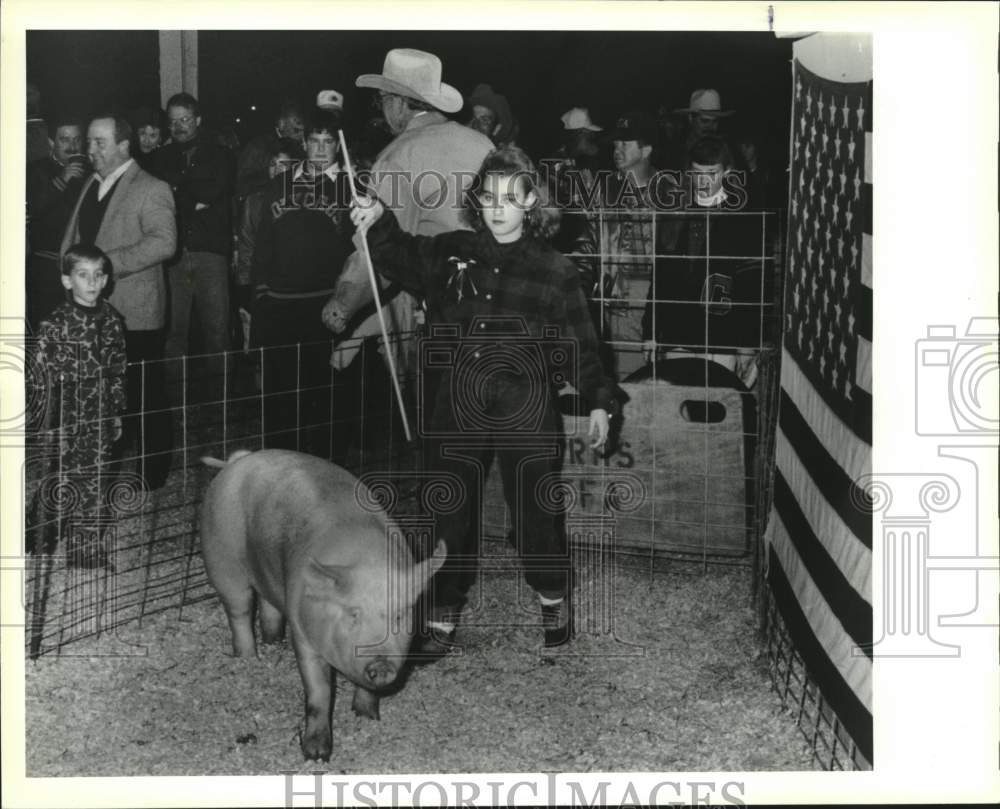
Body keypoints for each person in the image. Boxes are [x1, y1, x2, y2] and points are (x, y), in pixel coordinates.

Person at [350, 146, 613, 652]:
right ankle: (443, 610)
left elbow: (581, 342)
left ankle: (552, 594)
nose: (497, 208)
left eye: (510, 198)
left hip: (527, 403)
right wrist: (376, 218)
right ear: (477, 201)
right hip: (457, 400)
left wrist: (598, 399)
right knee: (447, 504)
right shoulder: (450, 250)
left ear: (531, 202)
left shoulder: (555, 270)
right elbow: (399, 251)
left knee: (536, 507)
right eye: (488, 196)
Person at [322, 48, 494, 381]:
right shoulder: (482, 144)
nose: (383, 110)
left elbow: (377, 251)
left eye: (382, 100)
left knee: (438, 414)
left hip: (442, 311)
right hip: (497, 299)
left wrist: (343, 303)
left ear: (398, 102)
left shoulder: (398, 156)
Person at [60, 113, 177, 491]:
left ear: (124, 146)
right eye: (89, 142)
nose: (89, 149)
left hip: (137, 311)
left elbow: (164, 242)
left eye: (99, 142)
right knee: (109, 394)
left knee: (145, 394)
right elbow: (76, 237)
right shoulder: (91, 183)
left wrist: (104, 268)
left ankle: (154, 472)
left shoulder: (152, 187)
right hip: (95, 309)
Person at [250, 109, 356, 456]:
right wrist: (260, 293)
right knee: (279, 397)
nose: (321, 150)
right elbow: (262, 243)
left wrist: (347, 300)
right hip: (279, 305)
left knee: (323, 396)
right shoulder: (279, 183)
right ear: (304, 143)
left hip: (323, 305)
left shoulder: (351, 187)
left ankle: (324, 474)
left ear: (338, 147)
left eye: (328, 143)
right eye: (314, 141)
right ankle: (280, 470)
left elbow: (358, 252)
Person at [27, 245, 127, 568]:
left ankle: (84, 550)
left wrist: (116, 412)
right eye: (83, 275)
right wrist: (42, 419)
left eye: (98, 275)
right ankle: (38, 534)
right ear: (67, 281)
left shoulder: (111, 319)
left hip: (99, 415)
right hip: (63, 418)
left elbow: (117, 368)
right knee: (58, 477)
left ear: (107, 279)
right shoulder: (54, 324)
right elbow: (38, 376)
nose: (92, 282)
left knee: (96, 480)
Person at [641, 135, 765, 386]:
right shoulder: (674, 214)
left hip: (722, 335)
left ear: (728, 172)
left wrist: (746, 345)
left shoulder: (744, 219)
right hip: (677, 334)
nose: (703, 181)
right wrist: (651, 332)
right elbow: (660, 278)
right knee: (680, 410)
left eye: (712, 173)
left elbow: (752, 286)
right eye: (697, 173)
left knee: (718, 411)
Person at [155, 92, 234, 403]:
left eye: (185, 120)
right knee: (175, 331)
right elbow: (163, 199)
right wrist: (191, 199)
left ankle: (223, 397)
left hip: (209, 252)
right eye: (173, 122)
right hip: (173, 254)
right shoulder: (161, 157)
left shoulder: (221, 154)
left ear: (198, 120)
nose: (179, 127)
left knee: (217, 328)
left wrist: (178, 193)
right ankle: (175, 399)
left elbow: (212, 191)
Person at [26, 115, 88, 329]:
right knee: (47, 327)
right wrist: (62, 179)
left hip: (79, 265)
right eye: (64, 140)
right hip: (45, 266)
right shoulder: (36, 170)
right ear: (52, 142)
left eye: (77, 140)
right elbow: (31, 209)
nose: (72, 146)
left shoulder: (89, 170)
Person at [234, 97, 306, 201]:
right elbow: (241, 183)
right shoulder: (258, 147)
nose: (301, 136)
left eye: (304, 131)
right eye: (296, 130)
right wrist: (273, 174)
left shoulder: (301, 148)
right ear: (281, 124)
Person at [674, 88, 735, 170]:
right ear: (691, 119)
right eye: (704, 121)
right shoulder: (677, 151)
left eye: (715, 122)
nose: (710, 127)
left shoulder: (726, 149)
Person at [129, 106, 165, 175]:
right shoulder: (129, 157)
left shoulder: (165, 161)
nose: (146, 141)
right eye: (143, 133)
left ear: (160, 138)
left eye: (152, 136)